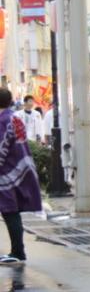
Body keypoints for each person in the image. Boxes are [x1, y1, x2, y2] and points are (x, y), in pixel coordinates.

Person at [0, 88, 42, 265]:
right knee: (11, 211)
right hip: (20, 167)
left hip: (7, 172)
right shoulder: (14, 117)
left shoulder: (3, 120)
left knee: (10, 211)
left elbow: (1, 147)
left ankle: (18, 252)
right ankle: (18, 251)